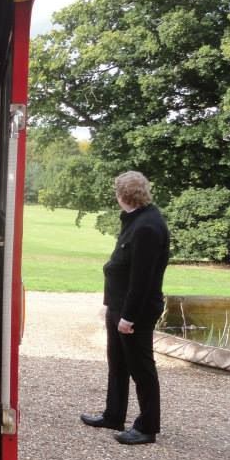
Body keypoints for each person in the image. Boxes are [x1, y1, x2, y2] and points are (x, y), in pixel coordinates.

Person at [81, 171, 170, 445]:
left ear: (122, 195)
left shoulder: (147, 227)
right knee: (117, 363)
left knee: (141, 368)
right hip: (119, 305)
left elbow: (142, 280)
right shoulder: (137, 219)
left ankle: (147, 426)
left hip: (135, 310)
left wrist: (128, 317)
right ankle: (113, 414)